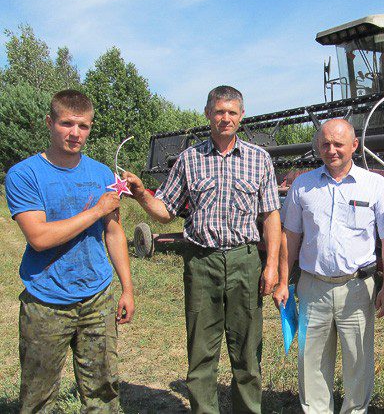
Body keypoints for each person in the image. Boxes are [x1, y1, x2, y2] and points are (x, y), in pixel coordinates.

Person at [124, 85, 281, 414]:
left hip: (244, 261)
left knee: (247, 353)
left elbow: (270, 216)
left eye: (232, 112)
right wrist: (140, 194)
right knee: (201, 353)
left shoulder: (259, 159)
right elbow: (165, 210)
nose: (226, 118)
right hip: (201, 262)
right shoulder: (189, 159)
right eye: (219, 111)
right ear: (208, 113)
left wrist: (271, 267)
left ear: (242, 116)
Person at [4, 89, 135, 413]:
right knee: (38, 396)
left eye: (83, 126)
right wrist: (96, 210)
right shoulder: (25, 174)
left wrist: (127, 289)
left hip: (97, 298)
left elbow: (114, 232)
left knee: (103, 391)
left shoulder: (101, 174)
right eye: (67, 124)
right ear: (49, 123)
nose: (75, 133)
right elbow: (39, 238)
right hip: (46, 301)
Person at [277, 118, 384, 414]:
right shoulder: (303, 185)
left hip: (357, 288)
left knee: (358, 361)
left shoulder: (375, 185)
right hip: (313, 287)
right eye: (325, 144)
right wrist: (283, 281)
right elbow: (290, 237)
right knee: (311, 361)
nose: (331, 150)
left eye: (338, 144)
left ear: (355, 145)